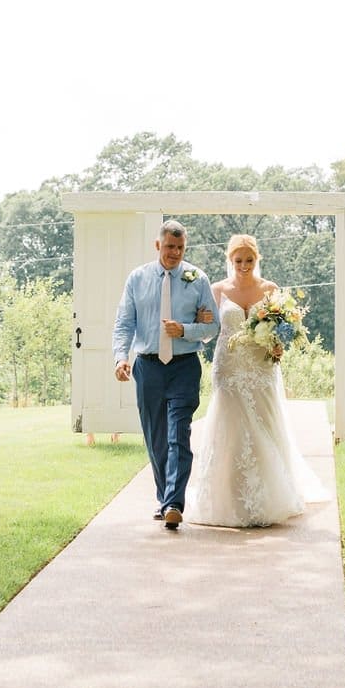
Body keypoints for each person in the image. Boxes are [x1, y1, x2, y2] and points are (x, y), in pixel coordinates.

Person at [185, 234, 328, 528]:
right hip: (229, 366)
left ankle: (269, 495)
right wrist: (200, 320)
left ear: (256, 260)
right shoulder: (218, 290)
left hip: (261, 366)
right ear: (230, 261)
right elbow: (210, 330)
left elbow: (284, 328)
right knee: (231, 425)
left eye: (249, 260)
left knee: (264, 422)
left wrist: (278, 345)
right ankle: (228, 498)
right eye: (238, 261)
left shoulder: (270, 289)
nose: (244, 265)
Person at [113, 219, 219, 531]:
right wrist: (121, 358)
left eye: (180, 247)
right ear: (158, 245)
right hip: (147, 367)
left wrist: (185, 329)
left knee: (178, 436)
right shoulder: (137, 278)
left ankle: (174, 503)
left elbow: (213, 327)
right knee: (156, 438)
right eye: (169, 247)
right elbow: (123, 323)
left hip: (184, 366)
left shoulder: (197, 279)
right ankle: (165, 498)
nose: (174, 253)